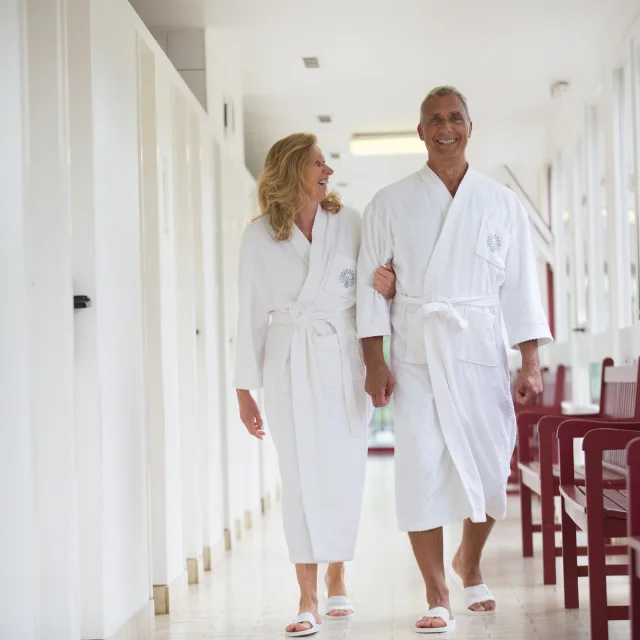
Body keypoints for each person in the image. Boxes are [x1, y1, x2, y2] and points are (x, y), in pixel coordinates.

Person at [356, 86, 552, 634]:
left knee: (492, 463)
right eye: (434, 119)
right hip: (416, 352)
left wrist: (530, 361)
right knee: (419, 467)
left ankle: (470, 558)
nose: (446, 127)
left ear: (471, 127)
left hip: (479, 350)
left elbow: (520, 289)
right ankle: (437, 588)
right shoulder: (389, 203)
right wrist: (376, 358)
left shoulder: (501, 203)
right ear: (420, 132)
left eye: (456, 118)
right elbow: (370, 290)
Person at [233, 132, 396, 637]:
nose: (328, 170)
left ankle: (337, 574)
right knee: (299, 476)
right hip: (287, 365)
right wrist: (244, 390)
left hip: (341, 361)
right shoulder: (259, 236)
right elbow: (249, 316)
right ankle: (306, 596)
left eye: (326, 162)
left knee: (344, 470)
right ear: (289, 172)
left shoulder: (349, 224)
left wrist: (388, 293)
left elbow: (372, 290)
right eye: (317, 163)